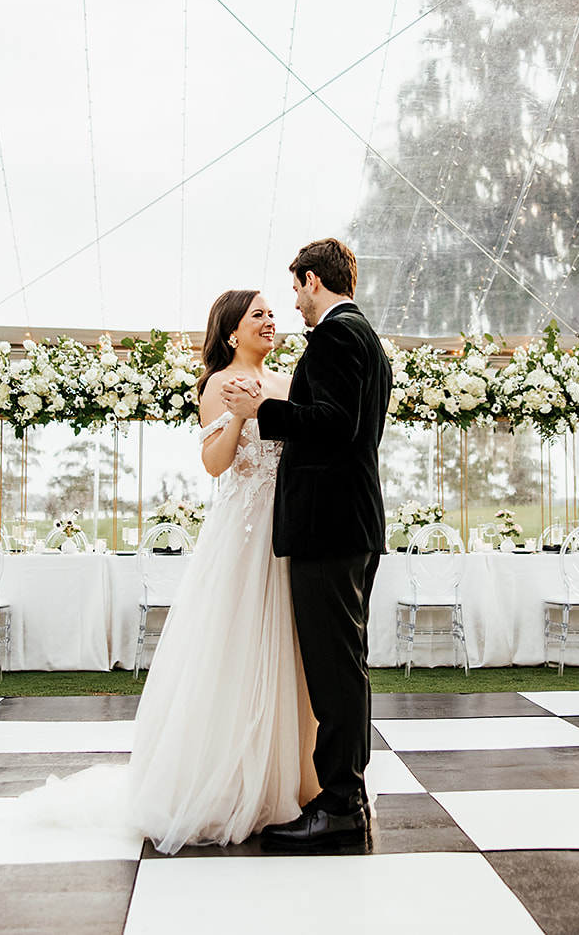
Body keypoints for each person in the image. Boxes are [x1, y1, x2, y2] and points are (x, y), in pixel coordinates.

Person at [121, 289, 319, 853]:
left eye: (271, 314)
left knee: (293, 655)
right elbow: (214, 465)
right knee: (235, 649)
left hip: (290, 529)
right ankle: (230, 781)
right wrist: (236, 412)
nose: (269, 321)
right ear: (232, 331)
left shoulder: (288, 381)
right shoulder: (217, 384)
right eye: (257, 314)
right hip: (243, 533)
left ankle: (298, 781)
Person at [221, 238, 391, 848]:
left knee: (335, 667)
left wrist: (266, 406)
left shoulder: (339, 336)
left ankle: (340, 803)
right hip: (349, 521)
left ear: (314, 280)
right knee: (343, 663)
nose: (293, 303)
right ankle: (345, 794)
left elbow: (334, 424)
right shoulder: (365, 337)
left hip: (330, 525)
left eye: (295, 289)